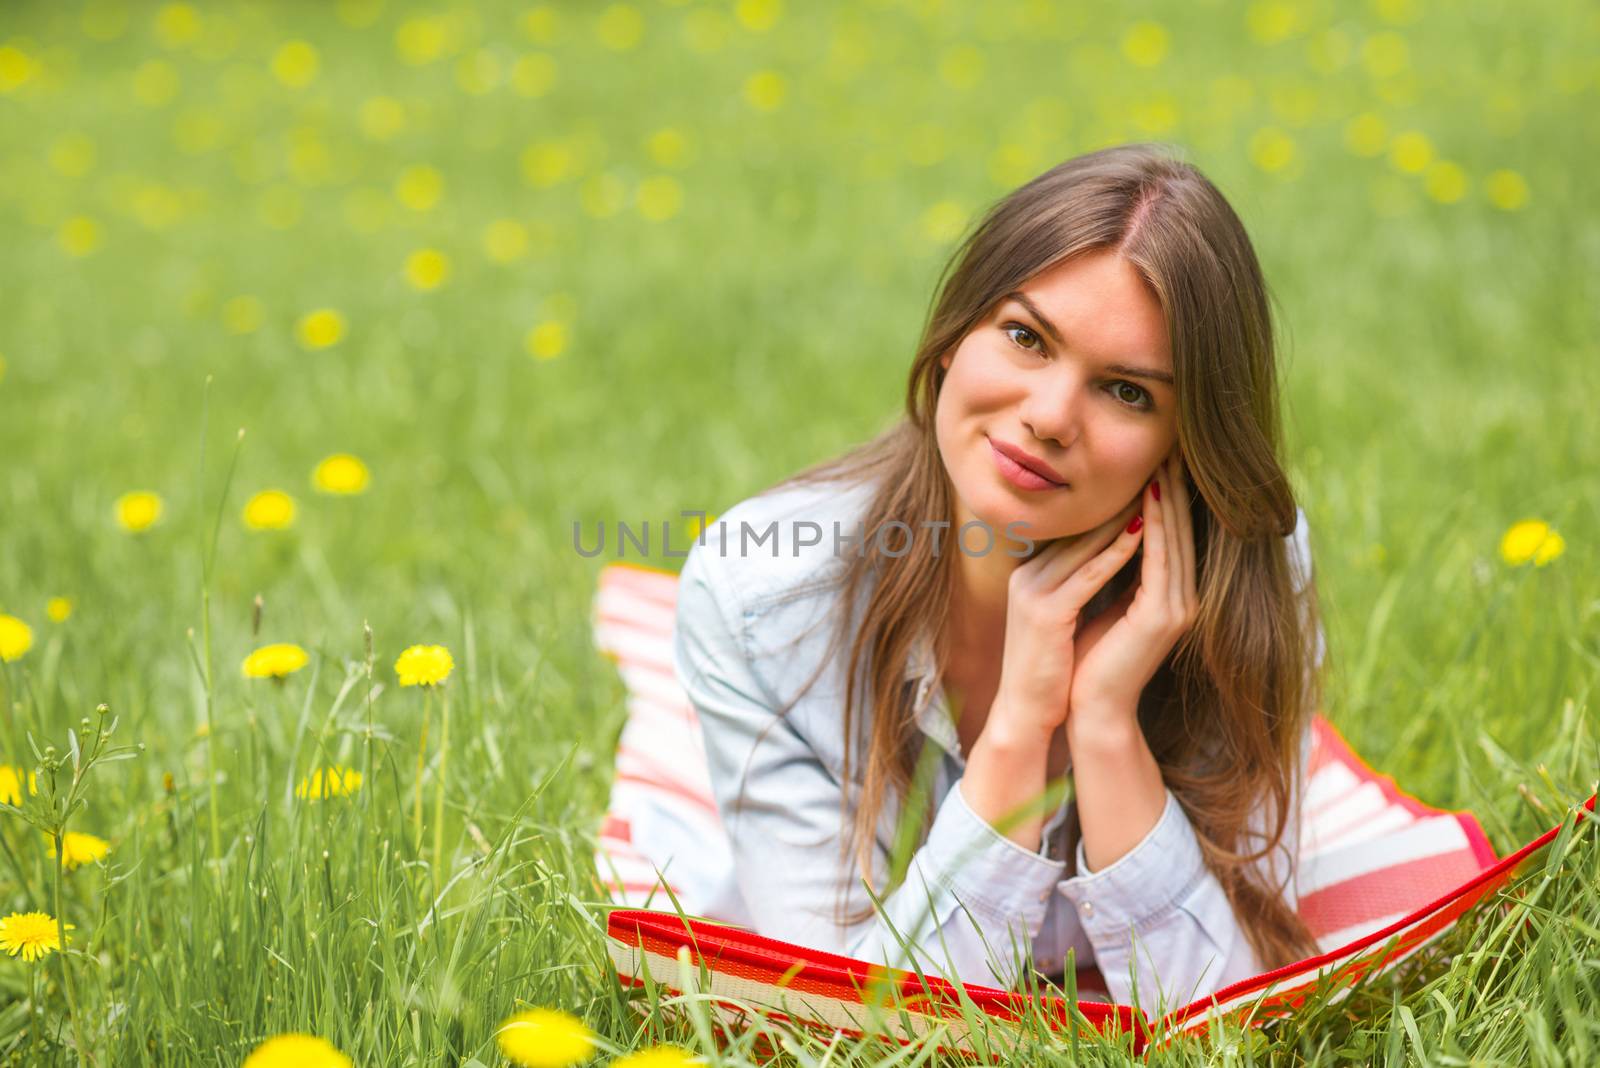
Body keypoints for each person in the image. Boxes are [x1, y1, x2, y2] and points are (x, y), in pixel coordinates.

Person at [670, 143, 1328, 1013]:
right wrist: (1020, 726)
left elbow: (1227, 1017)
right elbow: (852, 1024)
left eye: (1128, 392)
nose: (1050, 417)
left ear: (1187, 445)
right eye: (1025, 337)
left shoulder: (1243, 574)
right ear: (952, 339)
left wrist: (1103, 719)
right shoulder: (761, 602)